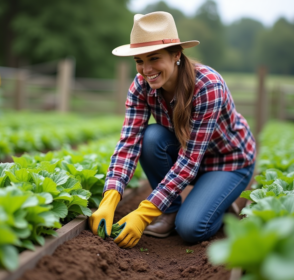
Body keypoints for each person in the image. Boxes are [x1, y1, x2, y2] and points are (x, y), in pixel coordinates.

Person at [89, 11, 256, 249]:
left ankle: (220, 201)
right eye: (139, 60)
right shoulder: (140, 87)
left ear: (176, 55)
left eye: (154, 58)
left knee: (190, 228)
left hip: (227, 162)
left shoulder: (207, 86)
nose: (146, 69)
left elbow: (189, 161)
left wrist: (144, 213)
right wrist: (110, 196)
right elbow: (128, 143)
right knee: (149, 137)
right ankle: (170, 210)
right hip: (190, 157)